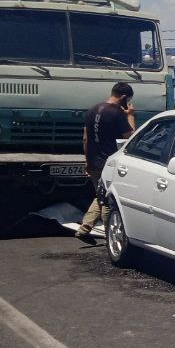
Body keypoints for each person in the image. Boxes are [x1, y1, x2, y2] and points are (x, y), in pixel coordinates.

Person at [76, 82, 136, 244]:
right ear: (124, 97)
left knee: (100, 195)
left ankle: (84, 228)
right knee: (109, 200)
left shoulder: (93, 109)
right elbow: (130, 138)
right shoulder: (117, 113)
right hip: (109, 164)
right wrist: (130, 115)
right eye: (128, 99)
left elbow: (85, 139)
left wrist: (88, 162)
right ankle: (111, 237)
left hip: (94, 162)